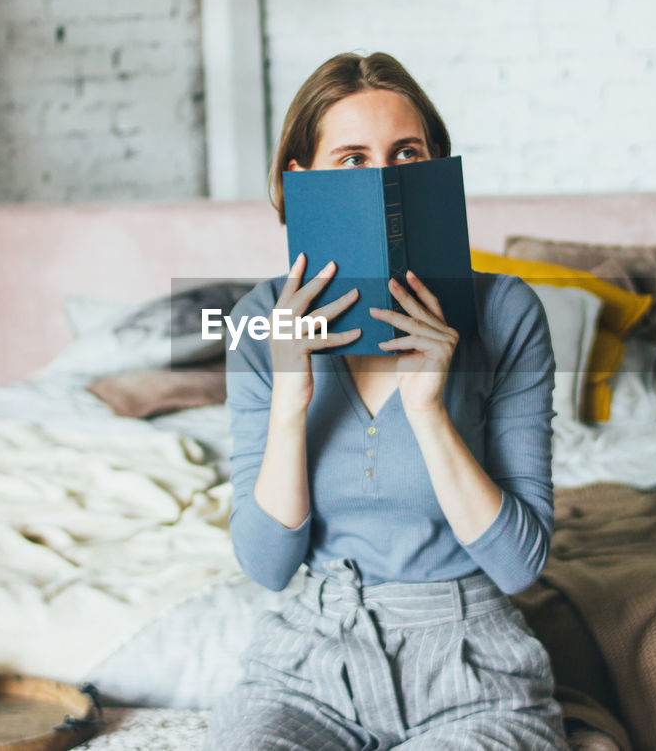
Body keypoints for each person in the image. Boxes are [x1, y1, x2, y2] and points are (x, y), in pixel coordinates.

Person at [204, 52, 567, 750]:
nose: (385, 180)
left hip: (472, 670)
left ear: (436, 168)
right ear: (299, 181)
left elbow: (521, 564)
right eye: (352, 160)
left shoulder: (506, 313)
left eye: (407, 155)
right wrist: (290, 396)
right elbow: (268, 565)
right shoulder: (258, 322)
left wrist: (430, 407)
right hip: (307, 668)